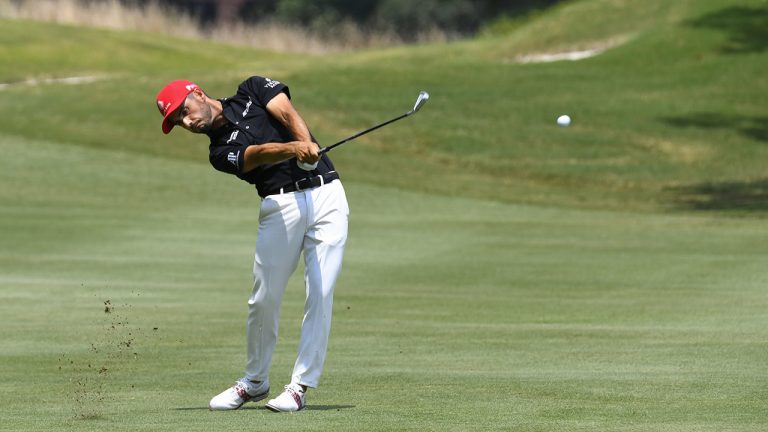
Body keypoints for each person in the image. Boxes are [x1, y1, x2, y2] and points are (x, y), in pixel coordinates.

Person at [155, 77, 349, 412]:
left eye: (184, 112)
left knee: (320, 291)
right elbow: (256, 156)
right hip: (280, 207)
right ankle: (255, 381)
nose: (187, 122)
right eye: (178, 122)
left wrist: (306, 147)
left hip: (326, 195)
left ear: (198, 93)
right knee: (264, 297)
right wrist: (293, 150)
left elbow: (287, 113)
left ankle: (299, 387)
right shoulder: (218, 152)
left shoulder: (253, 89)